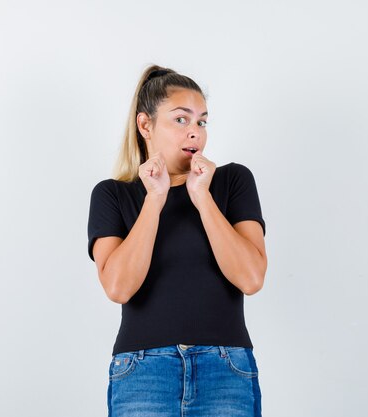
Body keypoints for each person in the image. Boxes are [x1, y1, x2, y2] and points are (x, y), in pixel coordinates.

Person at [87, 64, 268, 417]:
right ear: (145, 125)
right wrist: (154, 200)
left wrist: (202, 198)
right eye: (181, 120)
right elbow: (119, 287)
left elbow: (251, 278)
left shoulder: (232, 182)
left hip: (225, 369)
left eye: (202, 122)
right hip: (143, 374)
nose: (195, 133)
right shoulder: (113, 195)